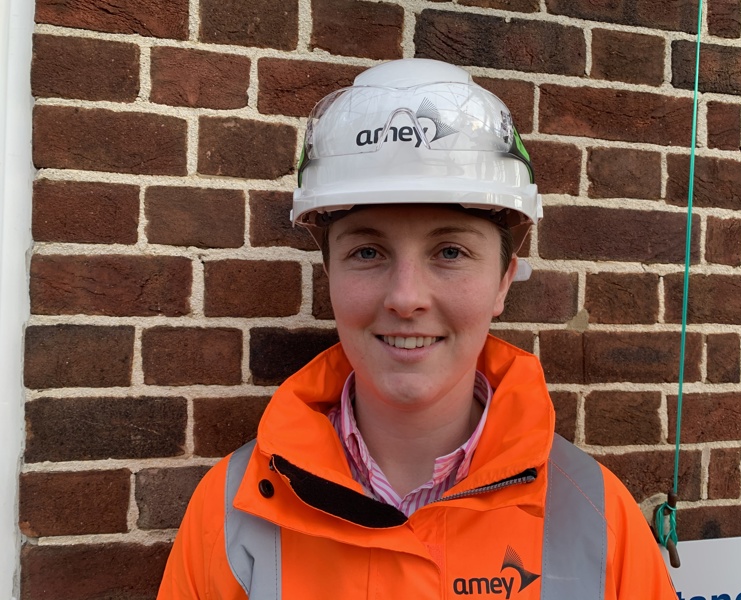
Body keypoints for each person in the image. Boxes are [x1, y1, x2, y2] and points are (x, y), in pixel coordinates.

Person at [157, 58, 677, 599]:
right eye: (367, 251)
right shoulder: (231, 512)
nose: (406, 298)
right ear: (329, 274)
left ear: (503, 279)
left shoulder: (599, 518)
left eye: (449, 251)